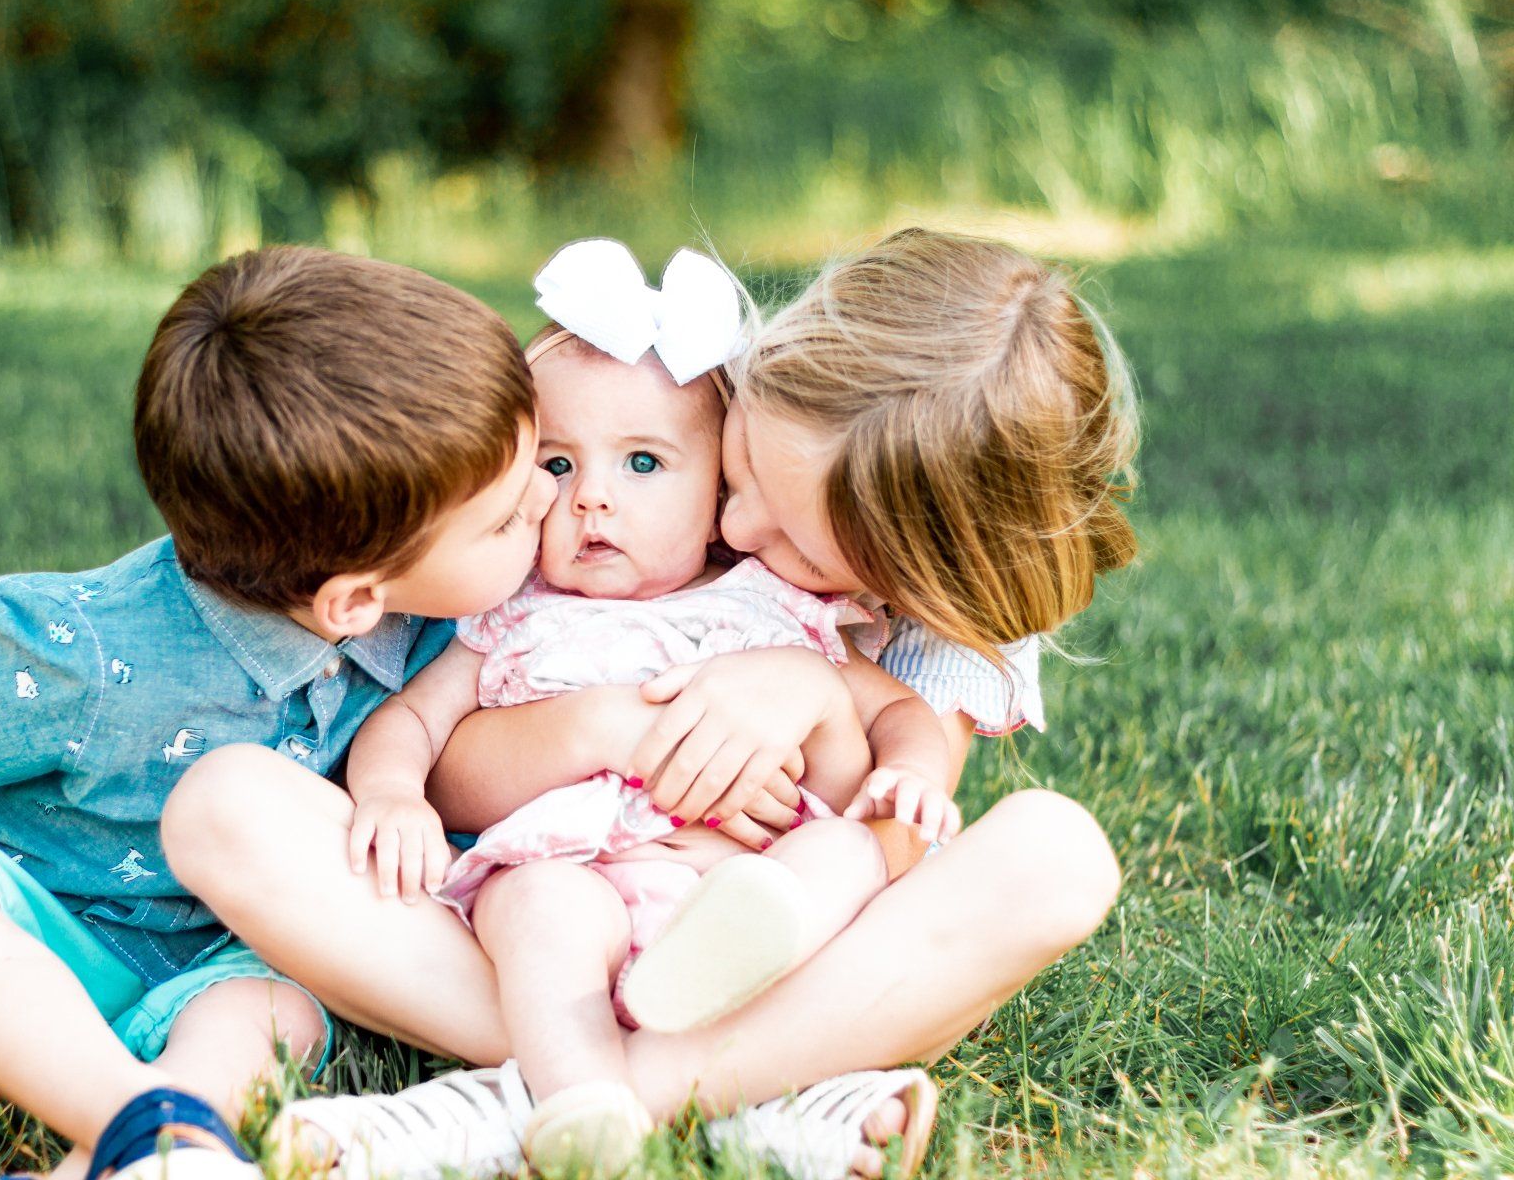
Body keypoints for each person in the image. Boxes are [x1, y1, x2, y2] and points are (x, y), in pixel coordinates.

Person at [164, 227, 1137, 1180]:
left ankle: (538, 1100)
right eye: (741, 472)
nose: (739, 525)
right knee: (226, 805)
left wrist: (816, 693)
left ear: (906, 580)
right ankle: (750, 1095)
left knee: (1059, 854)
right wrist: (608, 727)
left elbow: (879, 830)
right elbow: (444, 761)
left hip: (758, 917)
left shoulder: (897, 612)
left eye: (800, 545)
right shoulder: (633, 431)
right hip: (543, 896)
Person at [0, 247, 557, 1180]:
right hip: (33, 943)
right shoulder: (84, 650)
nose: (550, 504)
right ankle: (136, 1117)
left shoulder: (445, 628)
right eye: (509, 518)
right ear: (353, 600)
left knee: (279, 1010)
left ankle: (150, 1150)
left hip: (240, 969)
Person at [325, 241, 960, 1175]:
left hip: (739, 887)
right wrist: (388, 794)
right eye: (556, 464)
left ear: (720, 494)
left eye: (644, 464)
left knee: (844, 851)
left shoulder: (773, 608)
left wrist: (914, 771)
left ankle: (659, 1077)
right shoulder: (511, 615)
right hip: (578, 873)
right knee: (538, 911)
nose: (592, 500)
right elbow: (411, 723)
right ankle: (590, 1097)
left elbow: (896, 711)